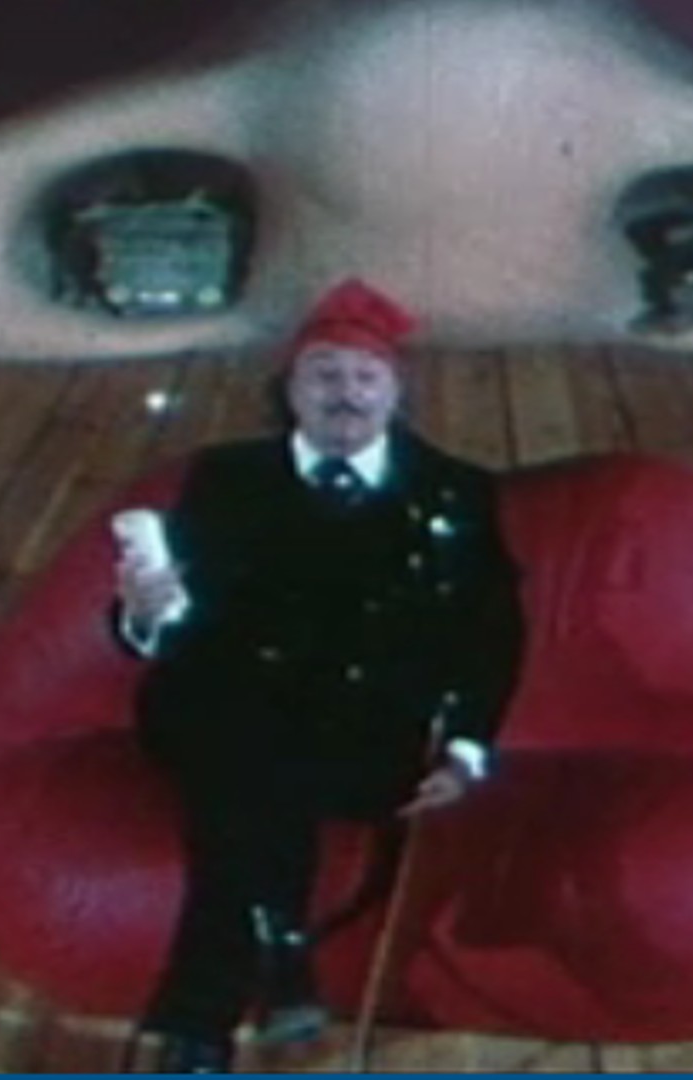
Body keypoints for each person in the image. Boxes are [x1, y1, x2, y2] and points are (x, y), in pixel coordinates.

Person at [112, 279, 525, 1073]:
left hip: (367, 731)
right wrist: (144, 613)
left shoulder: (456, 493)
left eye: (365, 377)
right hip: (222, 708)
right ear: (289, 390)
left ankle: (276, 958)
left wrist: (468, 749)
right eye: (324, 375)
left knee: (252, 792)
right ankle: (207, 1019)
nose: (346, 394)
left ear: (395, 393)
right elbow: (162, 624)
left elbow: (493, 634)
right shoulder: (225, 479)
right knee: (248, 761)